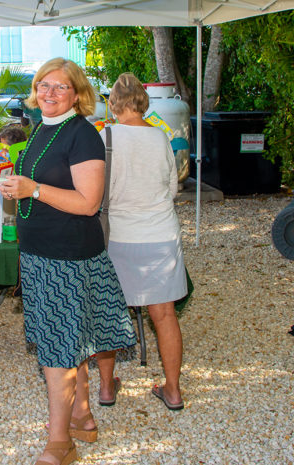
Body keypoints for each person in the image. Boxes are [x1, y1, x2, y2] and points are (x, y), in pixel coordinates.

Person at [0, 58, 136, 465]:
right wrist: (18, 188)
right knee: (68, 340)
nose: (50, 93)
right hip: (40, 254)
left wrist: (34, 189)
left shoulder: (83, 135)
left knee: (58, 351)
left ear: (77, 94)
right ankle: (81, 414)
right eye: (44, 84)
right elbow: (38, 185)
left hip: (67, 258)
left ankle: (60, 443)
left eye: (61, 87)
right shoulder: (41, 127)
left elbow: (88, 202)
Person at [95, 72, 187, 411]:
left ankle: (106, 388)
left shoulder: (105, 137)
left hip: (118, 235)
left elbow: (97, 192)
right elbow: (173, 187)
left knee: (108, 312)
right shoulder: (161, 137)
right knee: (163, 314)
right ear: (142, 102)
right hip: (161, 233)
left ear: (114, 104)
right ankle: (173, 390)